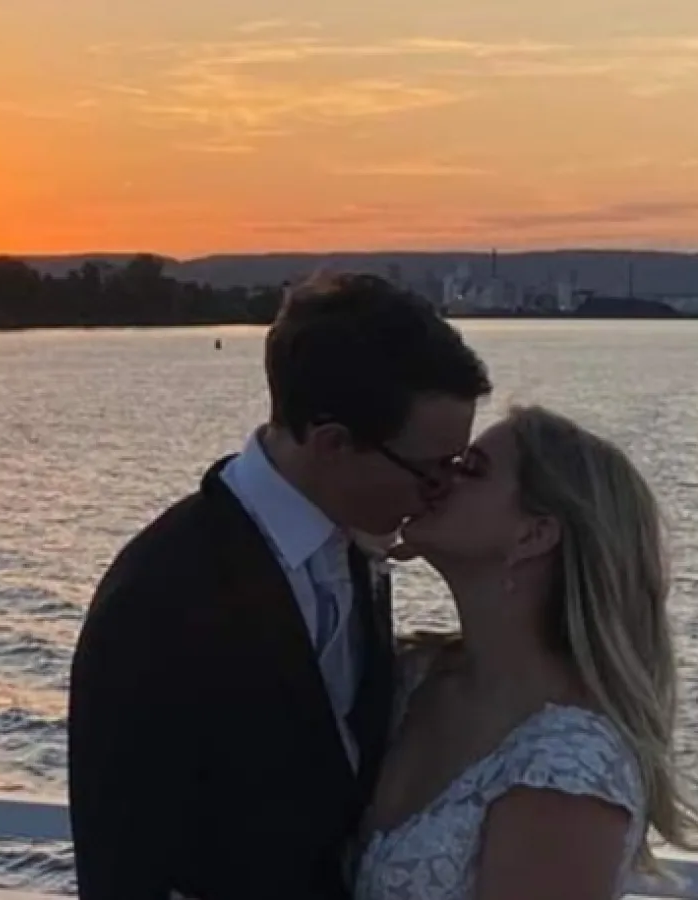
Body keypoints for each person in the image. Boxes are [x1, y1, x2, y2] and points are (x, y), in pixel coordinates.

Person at [68, 273, 493, 900]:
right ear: (332, 444)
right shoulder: (157, 598)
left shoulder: (360, 549)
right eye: (431, 472)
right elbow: (123, 866)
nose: (443, 491)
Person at [354, 405, 698, 900]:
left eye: (470, 469)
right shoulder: (412, 675)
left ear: (534, 534)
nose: (437, 477)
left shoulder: (566, 767)